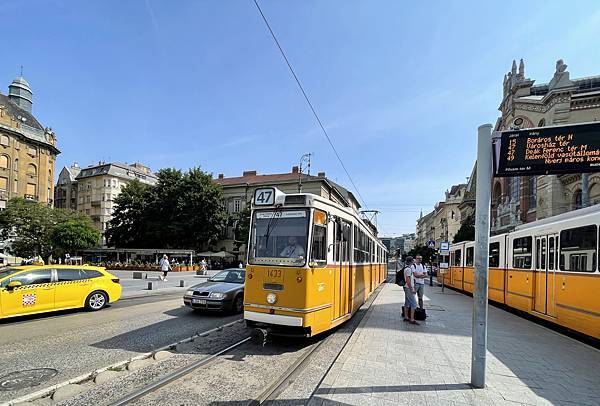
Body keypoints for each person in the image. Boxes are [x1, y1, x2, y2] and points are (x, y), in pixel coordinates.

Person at [403, 256, 419, 325]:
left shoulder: (406, 268)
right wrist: (412, 289)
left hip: (406, 287)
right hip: (408, 288)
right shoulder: (408, 269)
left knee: (407, 303)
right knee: (414, 304)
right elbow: (408, 280)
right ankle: (412, 319)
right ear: (411, 261)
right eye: (413, 260)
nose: (414, 261)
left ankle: (406, 317)